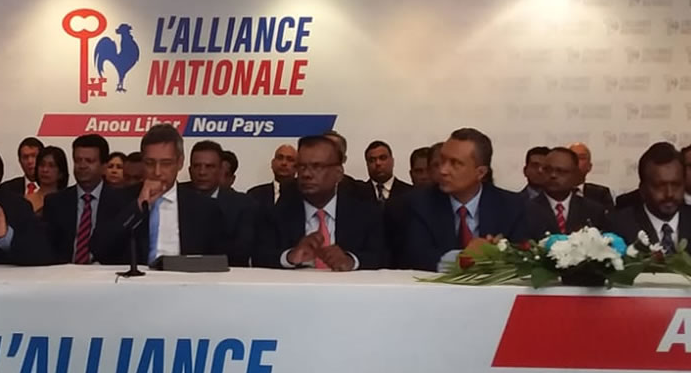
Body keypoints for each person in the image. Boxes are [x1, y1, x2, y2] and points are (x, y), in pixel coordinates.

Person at [91, 124, 225, 266]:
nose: (157, 172)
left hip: (183, 278)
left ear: (180, 162)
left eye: (166, 163)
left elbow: (218, 263)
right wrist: (138, 206)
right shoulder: (118, 199)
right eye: (150, 163)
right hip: (134, 279)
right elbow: (99, 250)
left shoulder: (204, 207)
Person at [404, 128, 529, 272]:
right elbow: (418, 257)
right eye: (442, 160)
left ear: (480, 172)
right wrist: (466, 258)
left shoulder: (512, 207)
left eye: (455, 163)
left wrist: (494, 254)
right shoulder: (419, 204)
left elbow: (522, 258)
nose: (443, 170)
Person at [255, 135, 387, 270]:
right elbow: (259, 257)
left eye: (316, 166)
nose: (306, 174)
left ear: (338, 173)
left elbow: (382, 257)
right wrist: (290, 257)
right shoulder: (278, 213)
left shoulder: (365, 213)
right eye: (302, 167)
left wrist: (351, 260)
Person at [43, 135, 127, 264]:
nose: (82, 166)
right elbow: (48, 248)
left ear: (104, 166)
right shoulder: (55, 203)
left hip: (106, 273)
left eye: (89, 161)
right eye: (78, 160)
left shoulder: (122, 203)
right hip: (63, 272)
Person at [180, 140, 257, 266]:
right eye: (197, 166)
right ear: (190, 170)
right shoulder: (175, 197)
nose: (202, 172)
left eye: (209, 166)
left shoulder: (243, 204)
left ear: (221, 170)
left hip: (226, 273)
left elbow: (241, 253)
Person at [607, 142, 689, 251]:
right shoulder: (618, 226)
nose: (669, 194)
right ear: (642, 189)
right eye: (659, 186)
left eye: (676, 185)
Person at [526, 147, 609, 238]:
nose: (553, 175)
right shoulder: (526, 210)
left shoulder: (594, 211)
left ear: (575, 175)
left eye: (561, 171)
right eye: (548, 170)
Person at [568, 143, 615, 210]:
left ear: (589, 167)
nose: (576, 161)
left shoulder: (601, 194)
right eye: (572, 157)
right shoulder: (554, 192)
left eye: (581, 158)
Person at [27, 145, 69, 215]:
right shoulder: (26, 201)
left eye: (51, 166)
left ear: (61, 173)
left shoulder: (68, 201)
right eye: (42, 165)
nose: (45, 170)